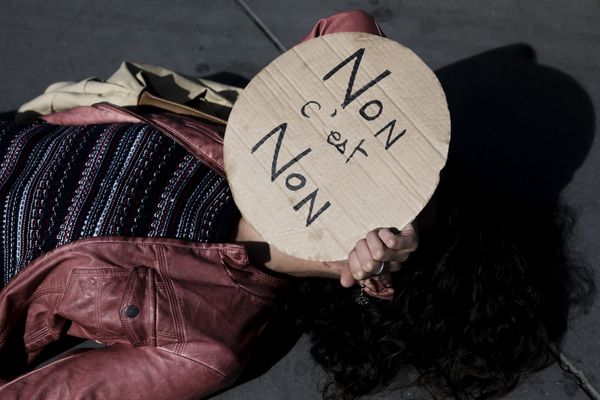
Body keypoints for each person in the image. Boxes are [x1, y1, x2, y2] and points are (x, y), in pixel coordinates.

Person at [0, 9, 592, 400]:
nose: (374, 177)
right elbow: (349, 27)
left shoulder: (208, 345)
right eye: (411, 174)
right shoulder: (259, 127)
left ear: (380, 284)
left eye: (404, 214)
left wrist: (379, 276)